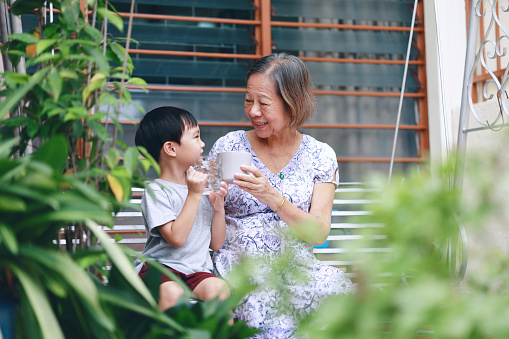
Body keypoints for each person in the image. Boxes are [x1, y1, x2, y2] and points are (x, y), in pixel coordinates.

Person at [208, 53, 354, 338]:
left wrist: (272, 196)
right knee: (264, 298)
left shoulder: (319, 155)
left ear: (292, 104)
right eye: (249, 100)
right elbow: (204, 214)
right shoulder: (229, 146)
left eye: (263, 103)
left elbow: (318, 233)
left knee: (340, 293)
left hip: (296, 266)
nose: (253, 111)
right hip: (242, 264)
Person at [133, 106, 230, 311]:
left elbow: (217, 243)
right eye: (196, 137)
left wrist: (219, 209)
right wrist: (194, 195)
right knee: (172, 294)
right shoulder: (156, 190)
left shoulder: (200, 187)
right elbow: (176, 238)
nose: (203, 144)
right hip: (161, 269)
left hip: (196, 271)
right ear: (171, 148)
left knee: (220, 290)